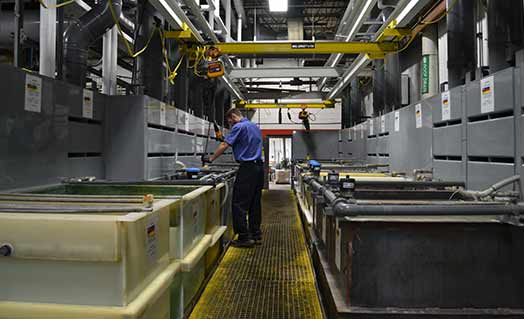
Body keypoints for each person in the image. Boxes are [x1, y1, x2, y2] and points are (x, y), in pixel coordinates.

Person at [203, 108, 264, 248]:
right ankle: (256, 234)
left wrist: (211, 158)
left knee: (239, 203)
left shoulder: (239, 126)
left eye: (229, 121)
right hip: (259, 168)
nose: (230, 124)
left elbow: (224, 144)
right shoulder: (254, 126)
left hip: (247, 168)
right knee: (255, 202)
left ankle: (244, 237)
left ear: (233, 116)